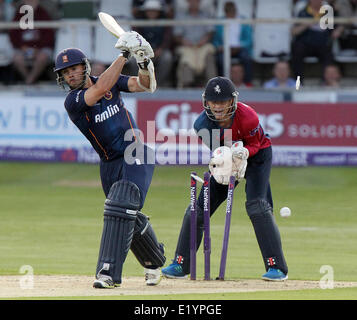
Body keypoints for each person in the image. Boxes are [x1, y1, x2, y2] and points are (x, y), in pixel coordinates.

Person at [53, 31, 166, 288]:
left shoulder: (110, 80)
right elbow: (102, 88)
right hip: (109, 163)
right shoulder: (73, 101)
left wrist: (144, 62)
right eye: (65, 72)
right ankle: (154, 261)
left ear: (85, 67)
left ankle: (107, 273)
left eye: (75, 68)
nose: (70, 74)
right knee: (125, 213)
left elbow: (146, 85)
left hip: (135, 151)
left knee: (122, 203)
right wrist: (125, 54)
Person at [162, 76, 288, 281]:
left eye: (222, 102)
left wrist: (245, 153)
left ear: (232, 101)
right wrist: (227, 164)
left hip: (257, 157)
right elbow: (219, 151)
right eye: (214, 102)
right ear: (206, 102)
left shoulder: (248, 117)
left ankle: (277, 268)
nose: (218, 106)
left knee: (257, 205)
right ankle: (180, 263)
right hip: (227, 160)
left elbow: (257, 144)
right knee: (198, 208)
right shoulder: (202, 125)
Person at [291, 0, 343, 80]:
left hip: (322, 44)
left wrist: (338, 30)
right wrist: (307, 24)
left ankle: (326, 84)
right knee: (296, 50)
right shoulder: (302, 12)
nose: (317, 1)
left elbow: (339, 25)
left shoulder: (328, 11)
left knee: (329, 55)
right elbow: (294, 32)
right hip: (305, 44)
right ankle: (298, 84)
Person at [9, 0, 55, 84]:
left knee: (42, 57)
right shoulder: (19, 13)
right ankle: (28, 80)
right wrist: (22, 47)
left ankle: (30, 80)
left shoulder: (43, 13)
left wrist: (37, 48)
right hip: (23, 48)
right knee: (17, 58)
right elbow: (13, 34)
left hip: (40, 48)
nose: (30, 3)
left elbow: (49, 35)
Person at [174, 0, 217, 88]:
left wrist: (204, 40)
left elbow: (210, 32)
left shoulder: (206, 15)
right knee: (186, 59)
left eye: (196, 1)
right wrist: (183, 41)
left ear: (199, 3)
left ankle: (212, 85)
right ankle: (187, 86)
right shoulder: (181, 16)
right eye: (191, 1)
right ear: (188, 3)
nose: (194, 3)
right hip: (187, 46)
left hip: (202, 46)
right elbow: (176, 35)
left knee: (209, 54)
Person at [133, 0, 174, 87]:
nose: (151, 13)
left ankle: (157, 83)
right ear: (145, 11)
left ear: (158, 11)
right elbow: (135, 38)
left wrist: (161, 49)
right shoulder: (139, 22)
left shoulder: (165, 22)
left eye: (154, 10)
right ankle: (141, 83)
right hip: (143, 51)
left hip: (159, 50)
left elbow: (168, 38)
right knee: (133, 59)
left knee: (167, 58)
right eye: (149, 10)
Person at [213, 1, 253, 84]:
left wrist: (240, 46)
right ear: (225, 11)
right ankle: (222, 84)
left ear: (235, 10)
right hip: (224, 49)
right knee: (220, 60)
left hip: (240, 48)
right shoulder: (220, 22)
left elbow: (249, 39)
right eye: (228, 11)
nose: (231, 13)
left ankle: (247, 83)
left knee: (247, 59)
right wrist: (219, 47)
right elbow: (215, 39)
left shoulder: (243, 21)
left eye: (232, 10)